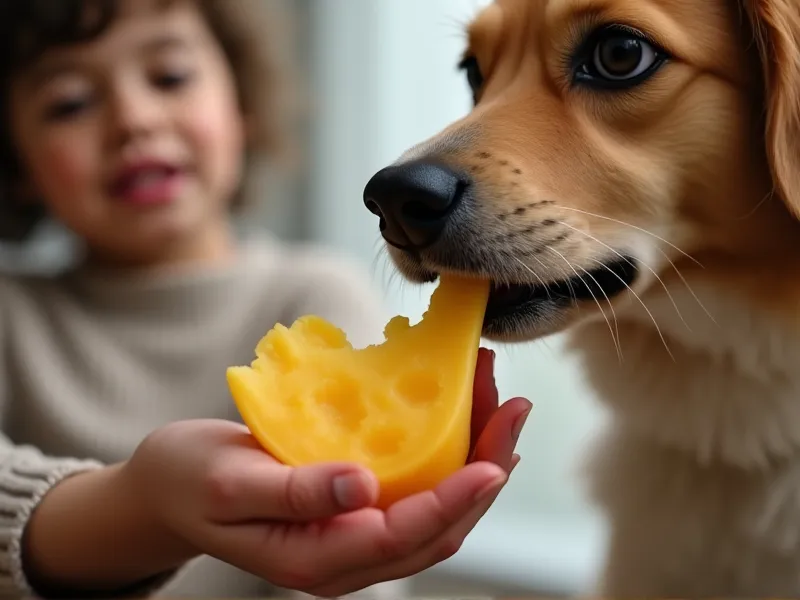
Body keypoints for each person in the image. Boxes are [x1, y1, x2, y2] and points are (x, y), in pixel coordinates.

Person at [0, 0, 533, 598]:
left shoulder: (316, 293)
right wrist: (143, 506)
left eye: (170, 76)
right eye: (70, 102)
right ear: (17, 159)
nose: (134, 119)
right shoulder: (10, 317)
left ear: (241, 104)